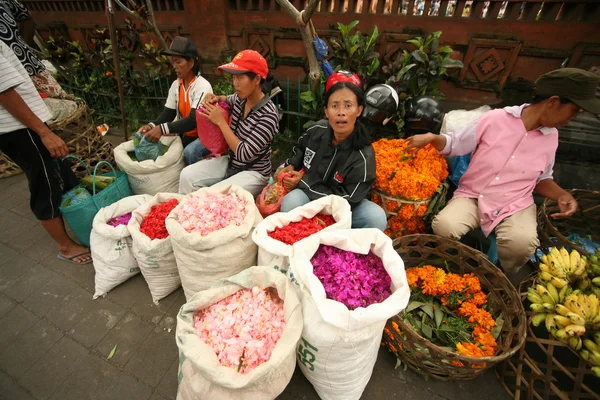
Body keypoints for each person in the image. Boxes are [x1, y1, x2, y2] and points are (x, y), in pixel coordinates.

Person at [406, 68, 600, 278]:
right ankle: (449, 266)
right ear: (553, 102)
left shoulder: (551, 138)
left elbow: (542, 179)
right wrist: (433, 138)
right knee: (445, 225)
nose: (571, 118)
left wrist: (562, 195)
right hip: (474, 195)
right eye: (573, 110)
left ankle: (496, 277)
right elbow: (455, 143)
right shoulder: (495, 119)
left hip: (515, 204)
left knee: (521, 244)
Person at [0, 40, 91, 264]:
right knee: (45, 182)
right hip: (19, 127)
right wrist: (44, 132)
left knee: (61, 172)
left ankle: (85, 225)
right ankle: (66, 246)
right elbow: (4, 91)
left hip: (23, 125)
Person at [278, 75, 388, 231]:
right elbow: (300, 147)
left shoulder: (364, 156)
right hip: (309, 196)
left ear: (359, 110)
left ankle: (339, 244)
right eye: (335, 106)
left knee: (375, 217)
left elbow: (350, 197)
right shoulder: (317, 130)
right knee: (290, 202)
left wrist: (303, 183)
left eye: (348, 106)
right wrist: (292, 164)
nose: (341, 112)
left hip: (344, 207)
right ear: (326, 111)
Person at [178, 49, 279, 196]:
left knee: (214, 196)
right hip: (232, 162)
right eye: (234, 78)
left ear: (257, 79)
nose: (235, 83)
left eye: (240, 78)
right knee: (187, 175)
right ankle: (186, 213)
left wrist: (221, 122)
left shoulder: (269, 115)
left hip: (254, 173)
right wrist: (214, 97)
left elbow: (243, 153)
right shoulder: (241, 99)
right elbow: (225, 99)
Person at [137, 36, 212, 165]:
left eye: (178, 62)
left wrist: (163, 129)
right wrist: (152, 126)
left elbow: (194, 120)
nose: (175, 66)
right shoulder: (176, 85)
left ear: (191, 63)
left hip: (205, 136)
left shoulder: (202, 86)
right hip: (186, 135)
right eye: (173, 62)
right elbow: (168, 113)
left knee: (190, 152)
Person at [0, 0, 68, 98]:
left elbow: (25, 17)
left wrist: (20, 46)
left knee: (64, 104)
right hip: (5, 81)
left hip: (29, 66)